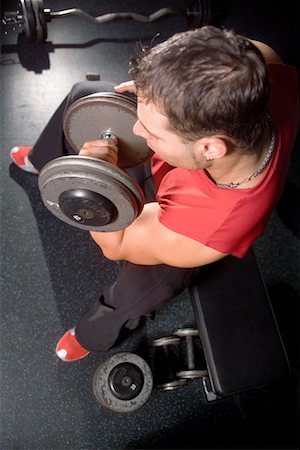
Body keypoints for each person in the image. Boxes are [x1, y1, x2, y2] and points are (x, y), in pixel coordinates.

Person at [10, 26, 299, 362]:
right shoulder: (260, 63)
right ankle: (43, 158)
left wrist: (95, 179)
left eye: (150, 130)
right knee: (88, 94)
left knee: (143, 286)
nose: (136, 128)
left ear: (210, 146)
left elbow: (116, 245)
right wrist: (159, 93)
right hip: (179, 162)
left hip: (179, 219)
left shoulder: (206, 228)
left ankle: (92, 334)